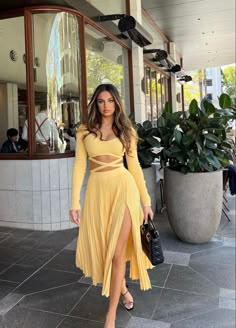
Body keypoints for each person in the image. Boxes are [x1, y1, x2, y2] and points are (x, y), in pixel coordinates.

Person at [70, 84, 154, 328]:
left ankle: (110, 318)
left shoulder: (127, 130)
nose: (105, 106)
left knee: (117, 255)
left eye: (110, 100)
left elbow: (134, 166)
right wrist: (74, 202)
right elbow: (79, 166)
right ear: (95, 103)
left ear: (117, 103)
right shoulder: (84, 131)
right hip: (97, 193)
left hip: (123, 190)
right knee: (107, 251)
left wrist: (145, 200)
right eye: (100, 101)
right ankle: (125, 291)